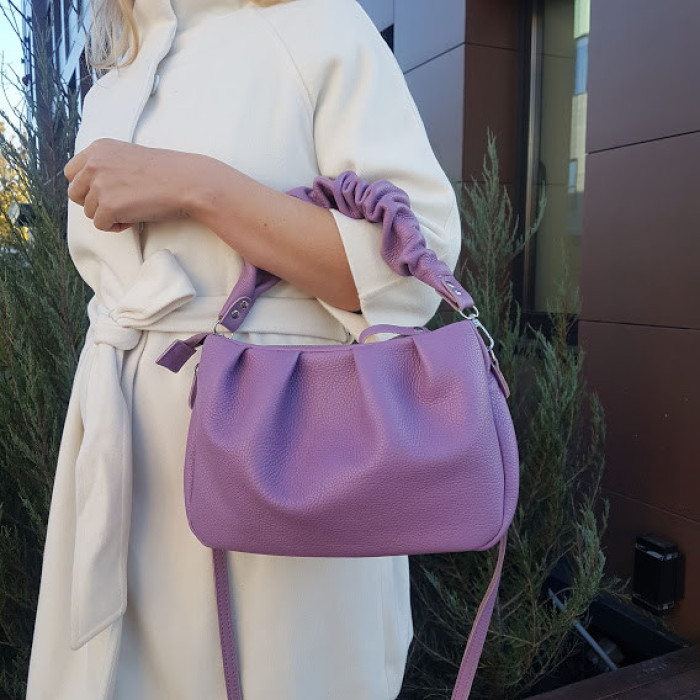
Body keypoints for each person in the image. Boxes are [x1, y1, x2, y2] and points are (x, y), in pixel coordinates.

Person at [26, 0, 462, 697]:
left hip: (280, 463)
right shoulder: (114, 74)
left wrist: (198, 185)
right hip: (120, 448)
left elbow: (412, 270)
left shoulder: (319, 25)